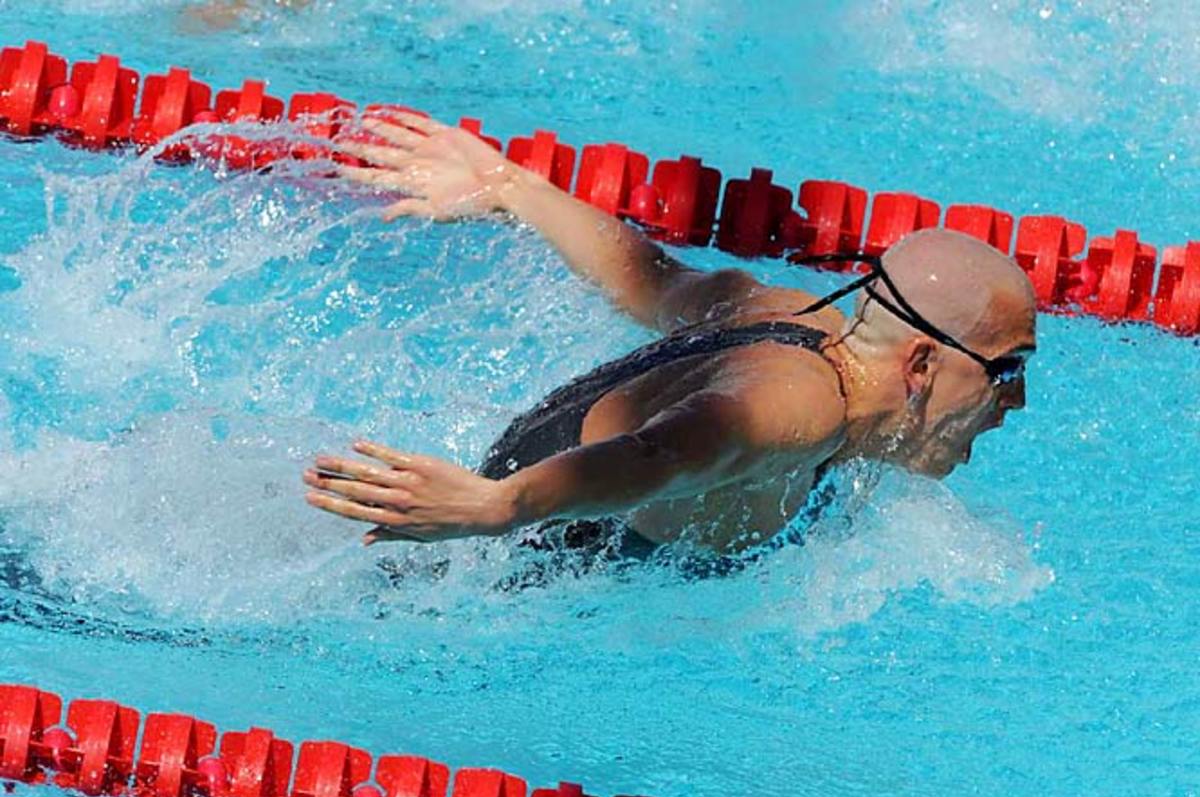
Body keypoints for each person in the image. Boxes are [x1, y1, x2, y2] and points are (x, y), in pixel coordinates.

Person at [303, 113, 1037, 562]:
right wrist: (499, 507)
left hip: (521, 490)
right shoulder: (801, 408)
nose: (1018, 400)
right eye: (1005, 370)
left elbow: (652, 278)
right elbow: (666, 450)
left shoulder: (795, 313)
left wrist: (509, 185)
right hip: (511, 557)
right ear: (921, 361)